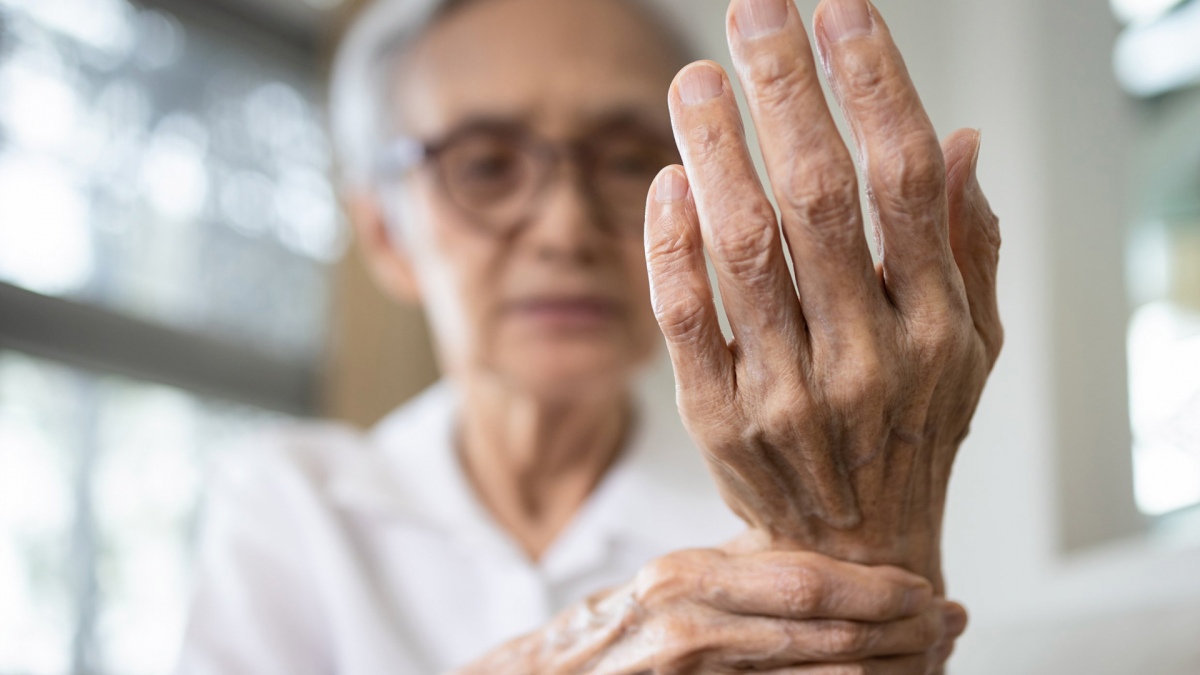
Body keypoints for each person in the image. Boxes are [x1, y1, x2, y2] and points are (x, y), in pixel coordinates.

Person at [176, 0, 1001, 672]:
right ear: (388, 238)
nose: (566, 228)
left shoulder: (787, 505)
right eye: (487, 165)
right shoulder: (293, 502)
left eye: (624, 160)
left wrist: (866, 567)